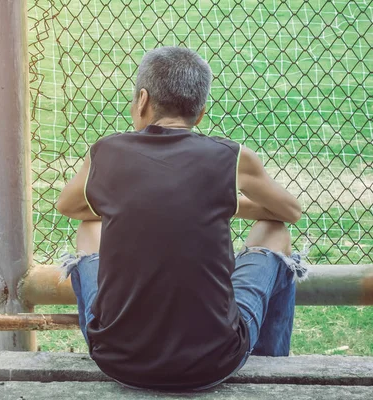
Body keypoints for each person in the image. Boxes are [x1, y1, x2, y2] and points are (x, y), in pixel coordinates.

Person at [56, 46, 308, 391]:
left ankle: (114, 327)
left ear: (141, 100)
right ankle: (270, 372)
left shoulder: (106, 151)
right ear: (200, 113)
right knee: (275, 233)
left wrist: (133, 202)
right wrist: (226, 202)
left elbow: (69, 207)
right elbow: (289, 213)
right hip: (214, 361)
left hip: (116, 358)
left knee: (89, 229)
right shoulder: (232, 157)